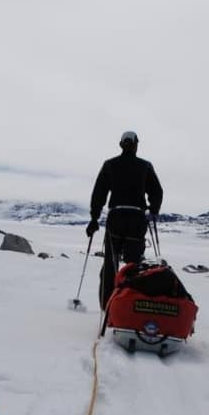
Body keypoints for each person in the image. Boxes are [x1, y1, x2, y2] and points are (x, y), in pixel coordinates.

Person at [86, 130, 164, 311]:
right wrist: (153, 211)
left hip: (116, 218)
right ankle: (130, 307)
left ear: (121, 144)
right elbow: (157, 192)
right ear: (136, 144)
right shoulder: (145, 166)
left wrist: (94, 218)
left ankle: (107, 308)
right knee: (133, 267)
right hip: (136, 220)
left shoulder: (110, 165)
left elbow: (99, 193)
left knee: (110, 265)